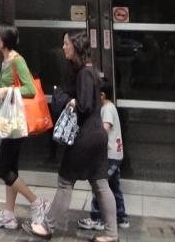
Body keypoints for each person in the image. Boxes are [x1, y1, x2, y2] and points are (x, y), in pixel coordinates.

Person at [24, 32, 116, 242]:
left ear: (76, 46)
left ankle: (47, 226)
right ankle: (112, 234)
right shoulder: (90, 71)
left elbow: (84, 105)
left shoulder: (84, 73)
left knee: (66, 182)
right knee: (100, 184)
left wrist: (70, 101)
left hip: (84, 138)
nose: (63, 47)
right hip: (96, 136)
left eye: (66, 43)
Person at [0, 24, 48, 229]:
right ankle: (9, 214)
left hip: (16, 123)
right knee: (10, 169)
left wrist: (6, 91)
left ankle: (36, 202)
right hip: (9, 122)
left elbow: (29, 89)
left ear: (5, 39)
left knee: (1, 168)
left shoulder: (17, 60)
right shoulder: (5, 60)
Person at [79, 82, 128, 232]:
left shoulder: (107, 109)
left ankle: (98, 218)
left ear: (102, 95)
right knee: (113, 187)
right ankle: (121, 217)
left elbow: (103, 130)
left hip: (109, 155)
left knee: (99, 185)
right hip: (115, 154)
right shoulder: (110, 107)